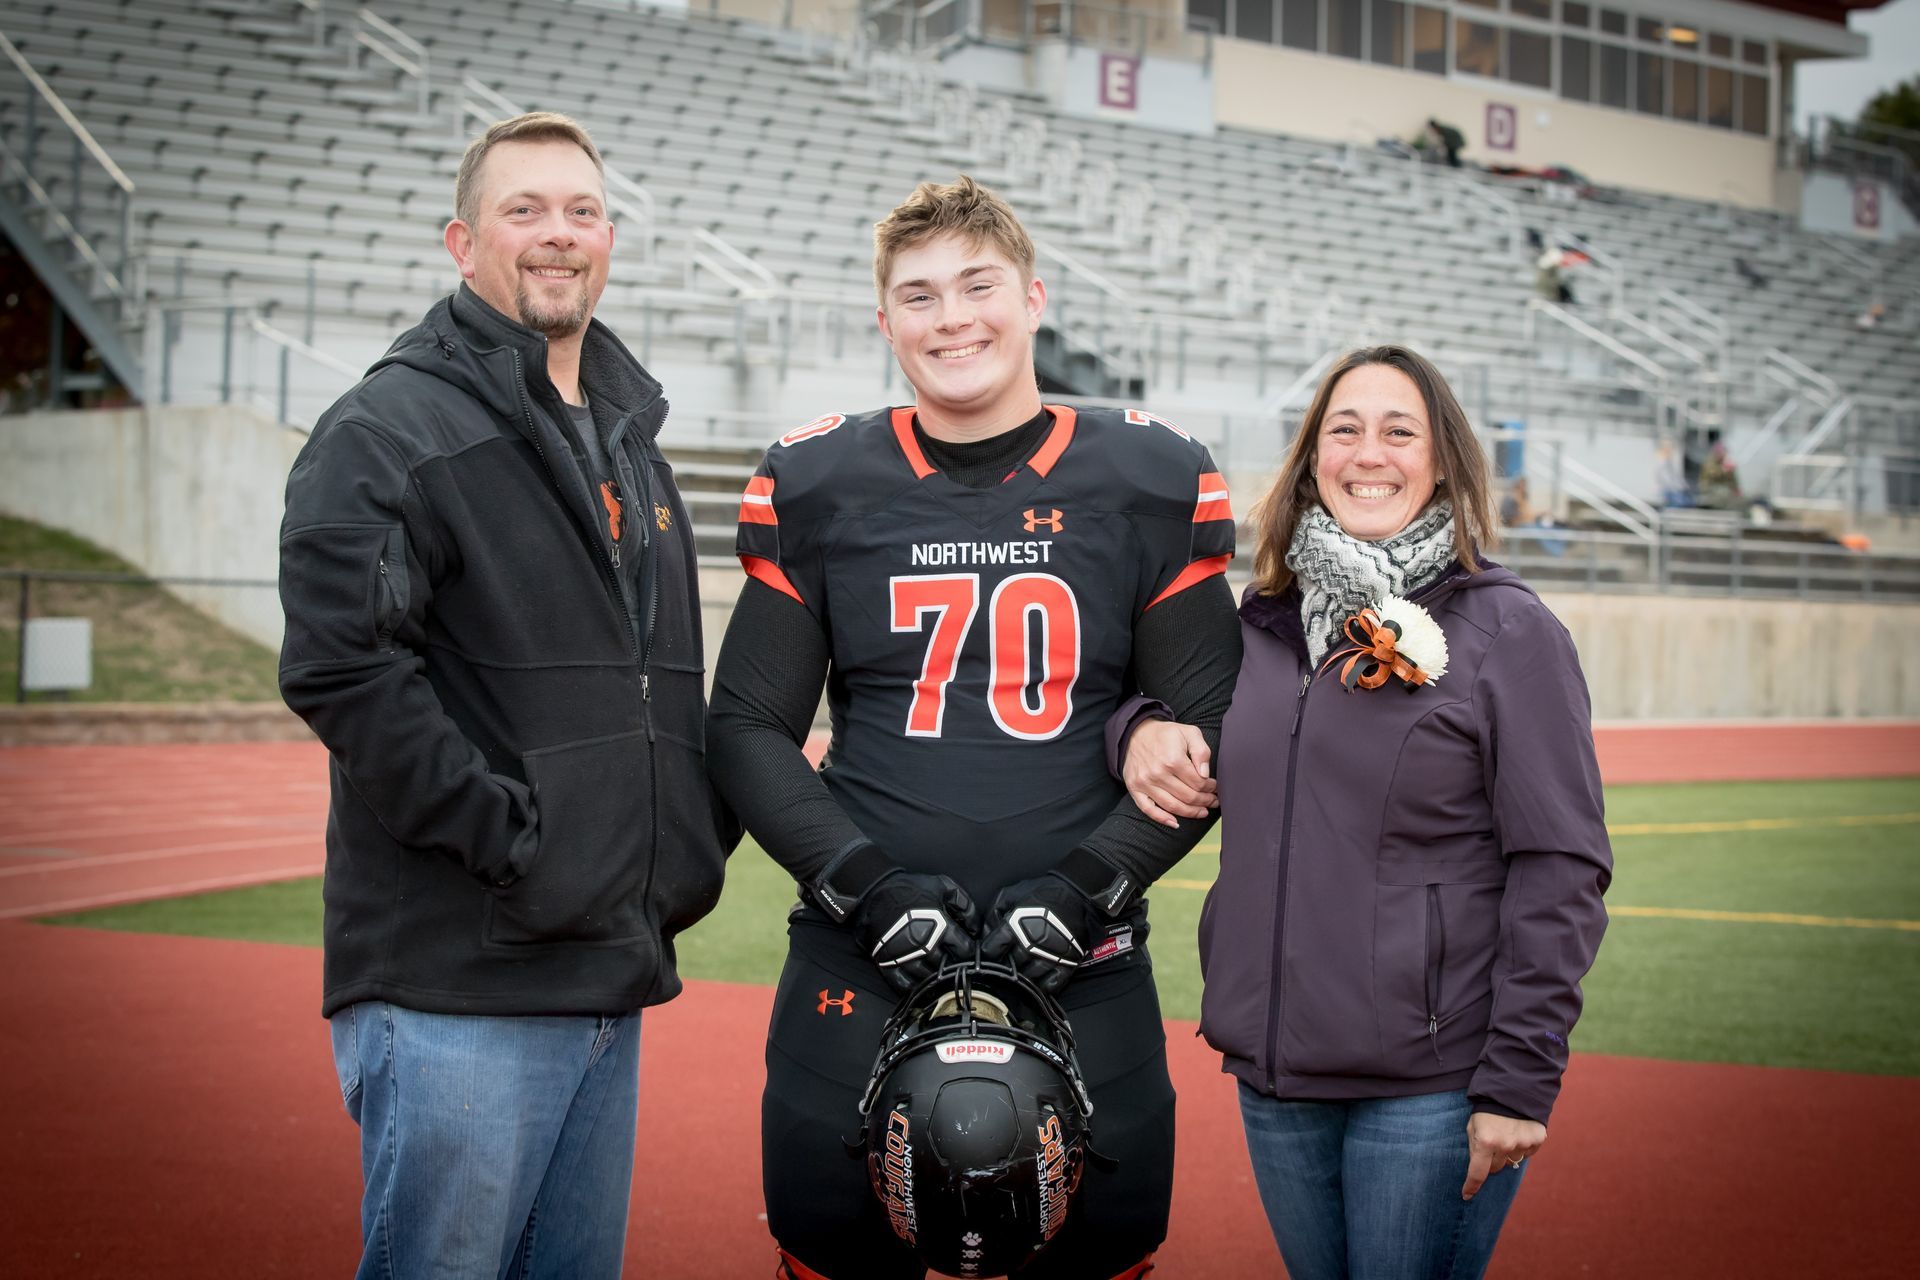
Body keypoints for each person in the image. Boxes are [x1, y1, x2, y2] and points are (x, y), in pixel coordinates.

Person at [705, 175, 1243, 1280]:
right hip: (865, 951)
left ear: (1034, 295)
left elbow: (1217, 720)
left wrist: (1093, 882)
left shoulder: (1145, 475)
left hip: (1083, 954)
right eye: (919, 295)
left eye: (977, 285)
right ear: (884, 320)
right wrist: (862, 883)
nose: (952, 317)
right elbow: (749, 723)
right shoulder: (820, 480)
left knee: (1106, 1242)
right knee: (827, 1238)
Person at [277, 112, 737, 1279]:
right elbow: (343, 667)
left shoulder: (631, 438)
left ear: (611, 239)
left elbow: (651, 683)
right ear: (462, 241)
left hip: (603, 970)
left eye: (581, 210)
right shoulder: (388, 426)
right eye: (524, 210)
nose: (558, 234)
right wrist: (518, 843)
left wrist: (672, 840)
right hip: (459, 983)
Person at [1115, 346, 1611, 1280]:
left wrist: (1519, 1081)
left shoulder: (1509, 630)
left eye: (1399, 431)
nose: (1367, 453)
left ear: (1443, 462)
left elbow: (1563, 868)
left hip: (1431, 1088)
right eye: (1343, 430)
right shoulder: (1259, 621)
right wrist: (1137, 727)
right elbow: (1139, 701)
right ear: (1310, 460)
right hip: (1277, 1080)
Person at [1696, 431, 1741, 509]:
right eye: (1721, 452)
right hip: (1709, 487)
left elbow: (1733, 480)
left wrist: (1736, 489)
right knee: (1723, 493)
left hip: (1721, 487)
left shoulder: (1726, 462)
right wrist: (1723, 470)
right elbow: (1712, 473)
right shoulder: (1710, 462)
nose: (1723, 454)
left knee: (1731, 495)